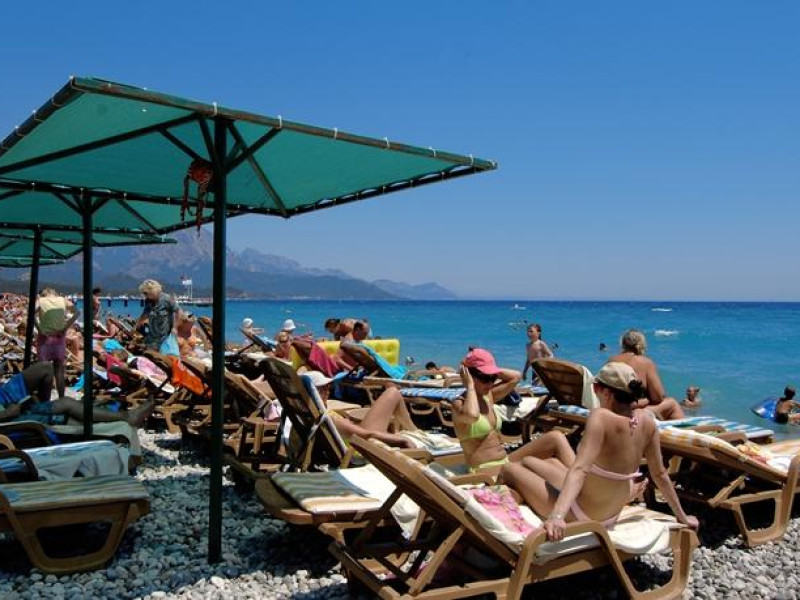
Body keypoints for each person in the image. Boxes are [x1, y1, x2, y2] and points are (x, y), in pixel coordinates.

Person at [501, 362, 698, 540]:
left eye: (595, 388)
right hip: (611, 511)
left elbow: (580, 469)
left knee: (509, 470)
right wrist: (682, 516)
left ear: (606, 392)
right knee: (531, 462)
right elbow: (660, 475)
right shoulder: (648, 423)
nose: (594, 392)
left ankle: (499, 489)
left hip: (582, 513)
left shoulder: (601, 417)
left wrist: (557, 516)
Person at [452, 348, 573, 474]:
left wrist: (491, 370)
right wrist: (470, 386)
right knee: (547, 466)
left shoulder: (488, 397)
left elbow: (516, 377)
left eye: (493, 378)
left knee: (555, 438)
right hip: (485, 469)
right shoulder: (459, 404)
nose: (490, 384)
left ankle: (580, 478)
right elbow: (472, 415)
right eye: (484, 378)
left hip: (505, 461)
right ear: (469, 376)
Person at [0, 362, 153, 426]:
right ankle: (126, 417)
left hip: (4, 396)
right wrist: (6, 414)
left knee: (45, 367)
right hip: (7, 418)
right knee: (66, 403)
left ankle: (43, 407)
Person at [608, 329, 685, 420]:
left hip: (611, 409)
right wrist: (647, 400)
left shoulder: (611, 360)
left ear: (622, 344)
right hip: (631, 412)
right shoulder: (645, 362)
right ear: (641, 345)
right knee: (672, 403)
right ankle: (682, 428)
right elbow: (658, 397)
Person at [35, 287, 79, 398]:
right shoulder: (63, 300)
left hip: (45, 338)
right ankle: (61, 398)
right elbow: (77, 313)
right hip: (59, 338)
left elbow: (30, 314)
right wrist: (65, 328)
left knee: (44, 371)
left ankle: (45, 400)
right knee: (59, 372)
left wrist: (39, 329)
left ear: (44, 294)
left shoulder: (40, 300)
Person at [134, 279, 178, 352]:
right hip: (152, 337)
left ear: (152, 290)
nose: (144, 295)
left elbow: (178, 312)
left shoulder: (166, 299)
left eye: (145, 293)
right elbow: (145, 314)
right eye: (143, 293)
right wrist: (137, 325)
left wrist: (175, 327)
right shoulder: (148, 301)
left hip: (165, 337)